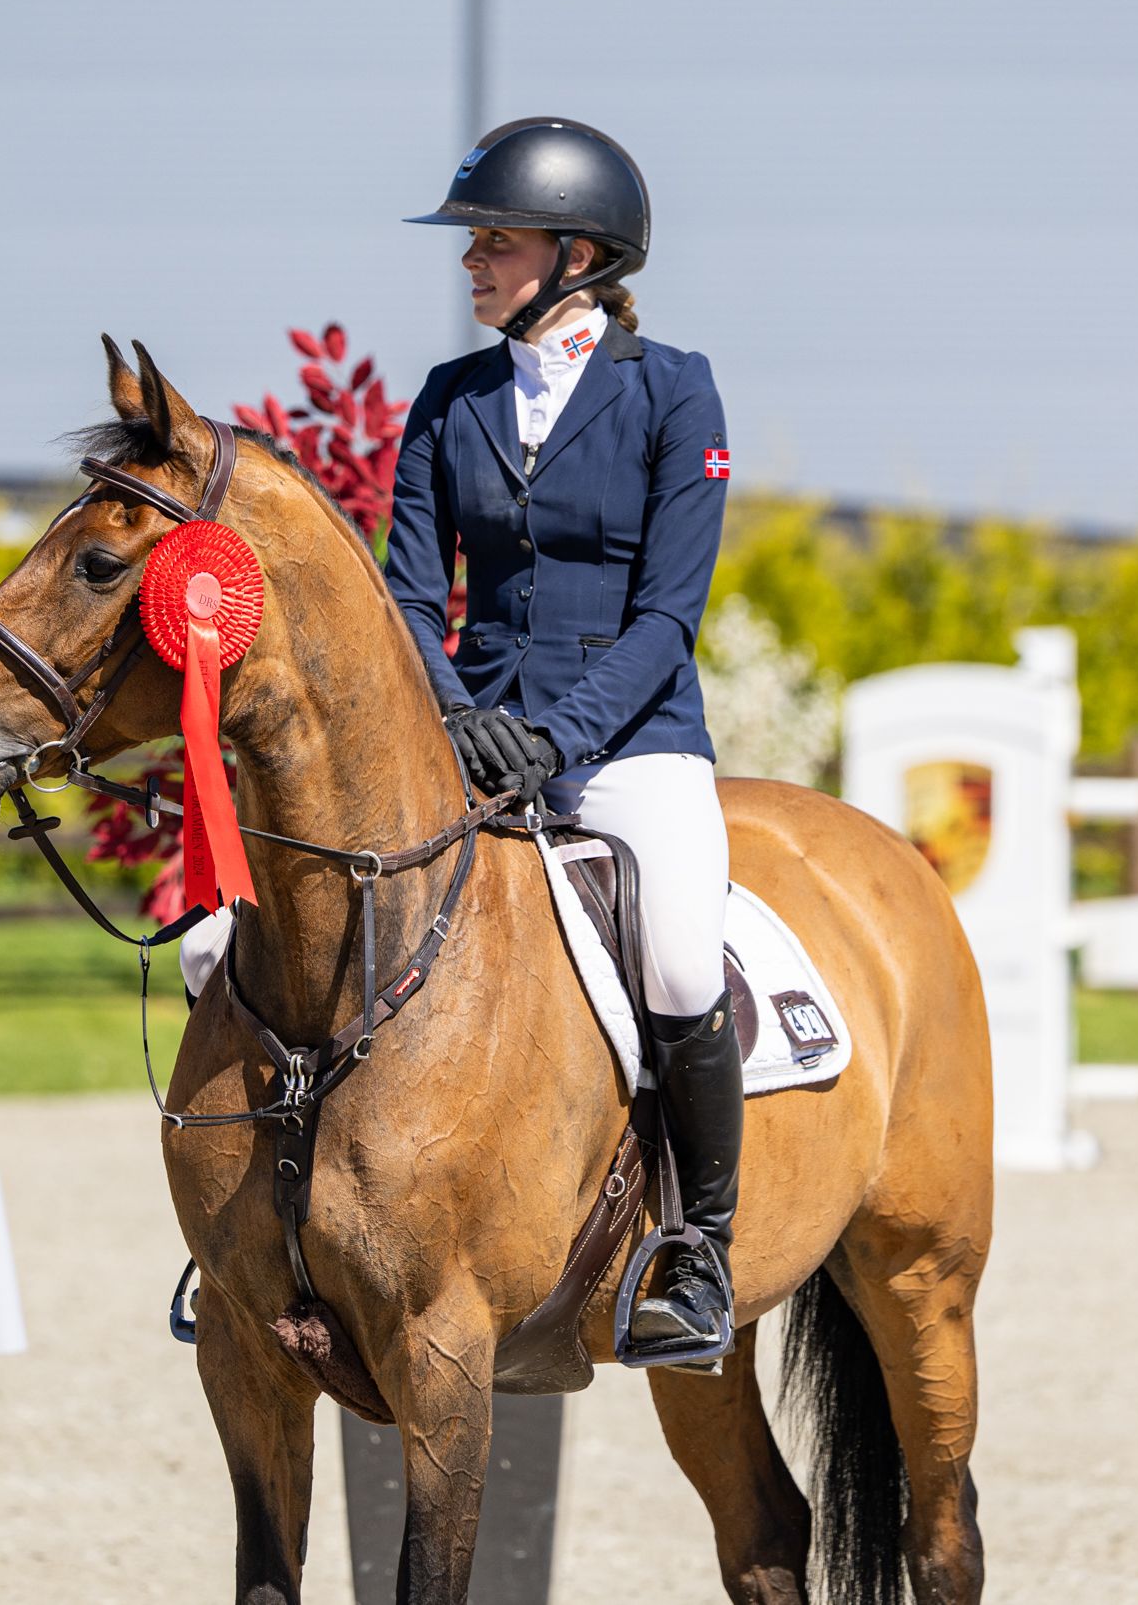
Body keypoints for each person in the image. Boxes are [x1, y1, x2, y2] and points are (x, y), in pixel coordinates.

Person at [390, 117, 742, 1360]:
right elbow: (405, 594)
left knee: (683, 965)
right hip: (473, 732)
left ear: (577, 254)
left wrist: (552, 738)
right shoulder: (448, 401)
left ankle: (698, 1250)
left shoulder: (672, 389)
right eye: (474, 240)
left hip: (633, 736)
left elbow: (668, 614)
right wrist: (461, 717)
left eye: (496, 238)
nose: (472, 259)